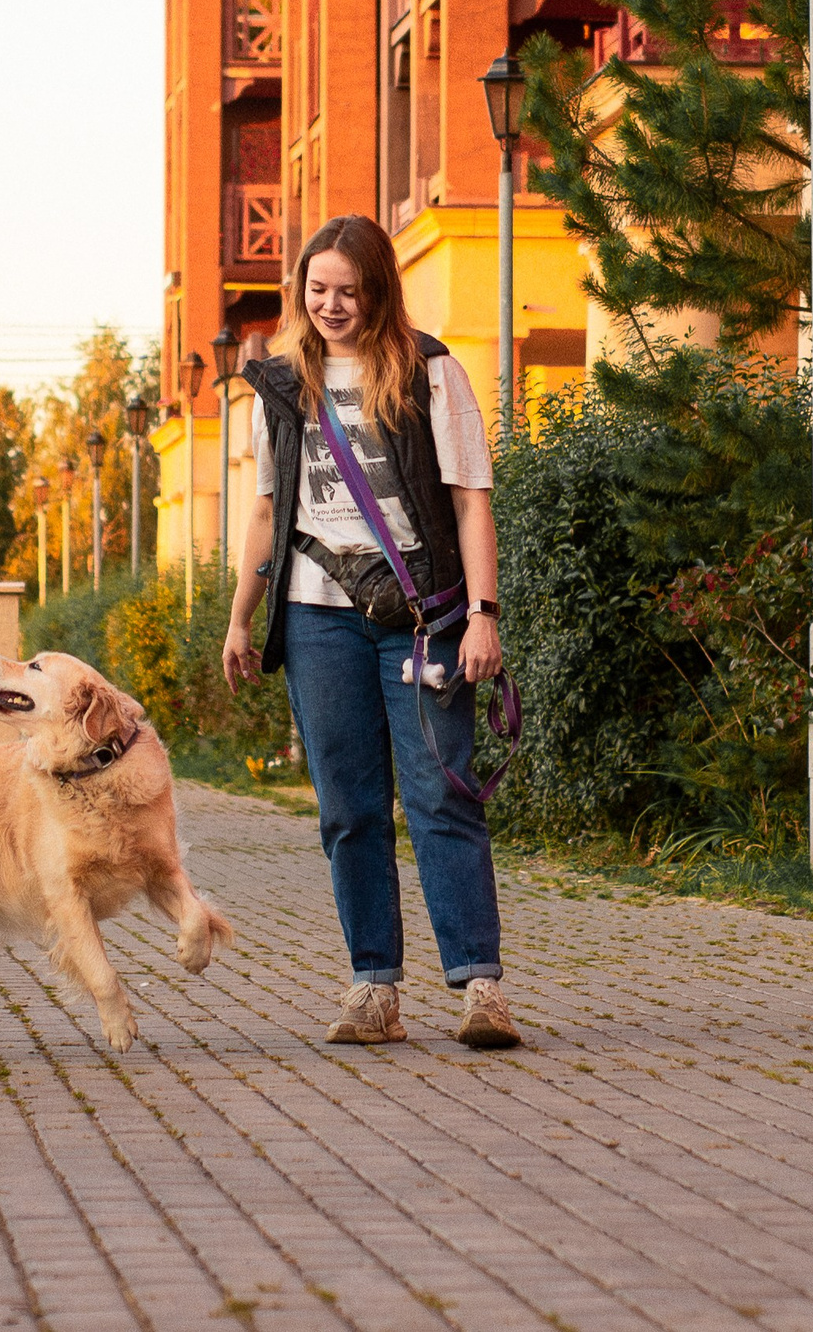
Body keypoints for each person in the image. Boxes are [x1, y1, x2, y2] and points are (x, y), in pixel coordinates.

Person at [221, 215, 520, 1049]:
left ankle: (480, 988)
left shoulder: (429, 370)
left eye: (348, 291)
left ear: (378, 290)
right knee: (350, 811)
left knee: (439, 796)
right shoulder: (281, 385)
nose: (332, 305)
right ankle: (374, 988)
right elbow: (268, 510)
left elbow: (469, 501)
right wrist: (241, 619)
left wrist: (485, 618)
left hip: (422, 620)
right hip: (318, 620)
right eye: (318, 290)